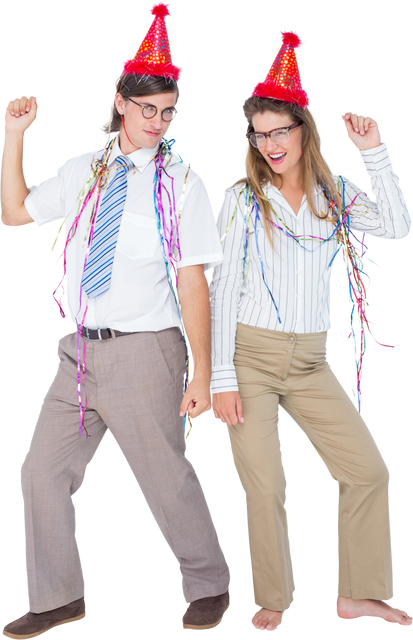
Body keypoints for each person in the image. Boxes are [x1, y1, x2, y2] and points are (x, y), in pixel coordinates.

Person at [0, 2, 232, 637]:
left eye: (168, 112)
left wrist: (201, 374)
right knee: (39, 472)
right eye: (147, 109)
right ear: (121, 103)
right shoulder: (83, 169)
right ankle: (58, 598)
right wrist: (13, 135)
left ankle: (210, 583)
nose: (158, 122)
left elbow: (193, 279)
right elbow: (17, 215)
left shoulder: (183, 182)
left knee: (163, 475)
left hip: (143, 350)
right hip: (77, 352)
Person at [209, 25, 413, 633]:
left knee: (368, 470)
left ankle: (359, 593)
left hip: (310, 361)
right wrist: (222, 377)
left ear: (305, 130)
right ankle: (272, 596)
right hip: (248, 355)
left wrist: (374, 150)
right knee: (267, 486)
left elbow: (398, 227)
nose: (271, 143)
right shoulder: (242, 200)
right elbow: (220, 293)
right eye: (260, 133)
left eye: (282, 130)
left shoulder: (337, 193)